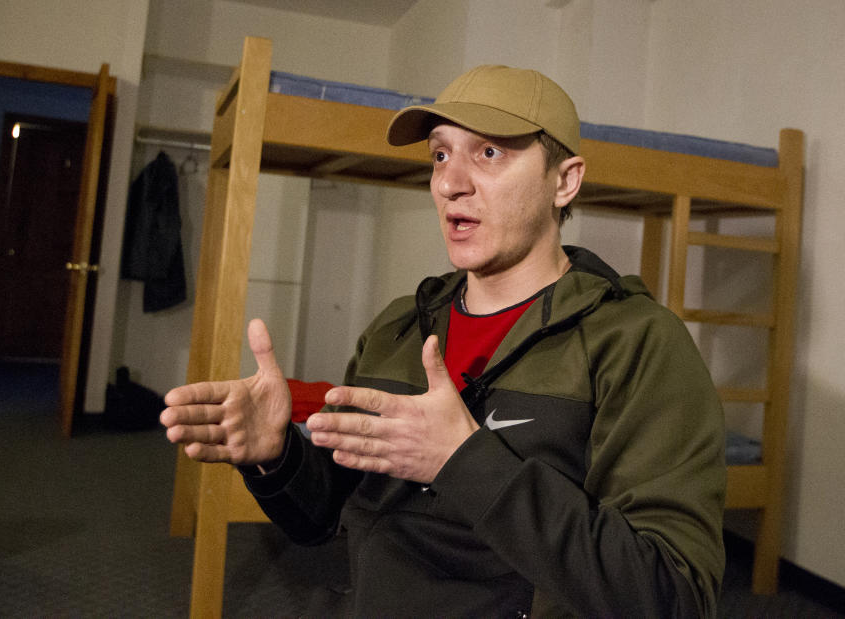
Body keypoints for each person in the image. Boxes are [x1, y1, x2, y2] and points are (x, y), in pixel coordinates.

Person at [160, 65, 726, 617]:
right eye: (439, 154)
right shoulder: (399, 326)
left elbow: (671, 595)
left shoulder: (637, 342)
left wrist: (463, 460)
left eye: (489, 153)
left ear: (565, 180)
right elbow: (327, 518)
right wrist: (277, 457)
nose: (451, 183)